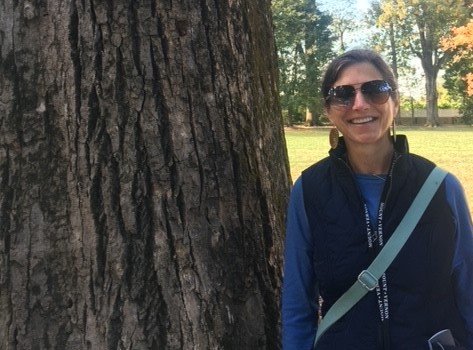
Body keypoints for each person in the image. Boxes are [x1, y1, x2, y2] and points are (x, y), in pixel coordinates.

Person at [281, 49, 473, 350]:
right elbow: (297, 301)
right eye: (343, 94)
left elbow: (468, 289)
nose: (360, 104)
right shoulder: (309, 191)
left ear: (394, 102)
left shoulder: (441, 187)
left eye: (375, 90)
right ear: (329, 110)